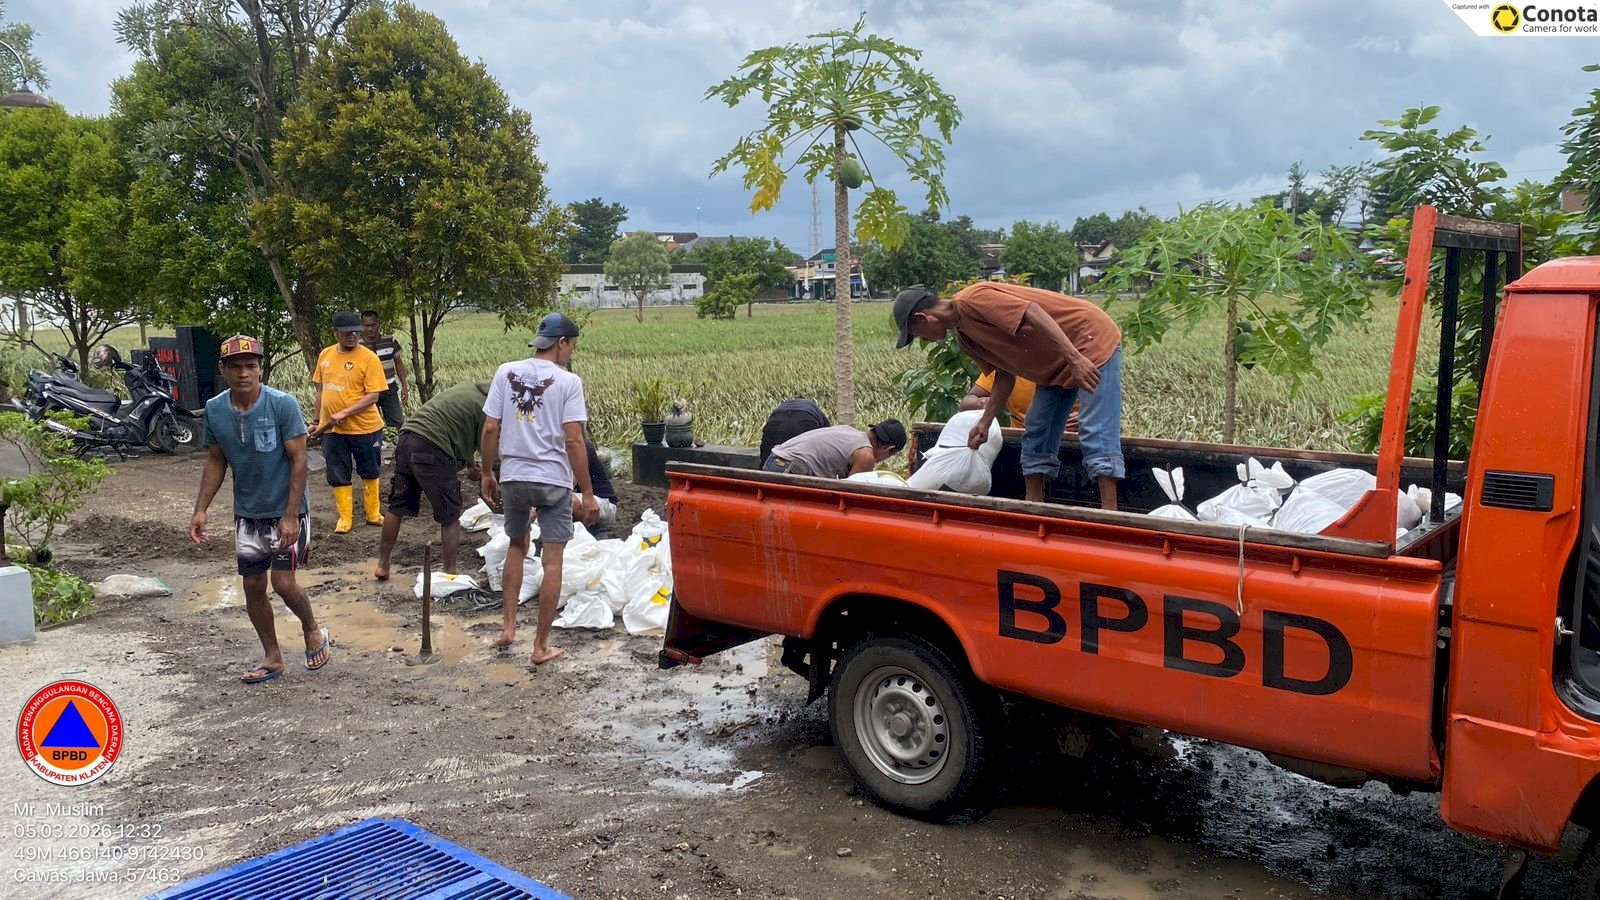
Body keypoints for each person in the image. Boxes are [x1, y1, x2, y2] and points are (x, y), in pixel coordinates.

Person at [893, 281, 1124, 509]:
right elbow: (1004, 376)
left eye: (918, 335)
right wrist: (985, 421)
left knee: (1096, 428)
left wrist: (1074, 359)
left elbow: (1033, 311)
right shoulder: (966, 339)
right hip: (1054, 365)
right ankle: (1033, 506)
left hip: (1088, 341)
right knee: (1037, 428)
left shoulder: (972, 299)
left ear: (924, 318)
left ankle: (1109, 513)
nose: (924, 340)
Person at [189, 335, 330, 683]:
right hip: (248, 514)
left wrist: (290, 515)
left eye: (250, 366)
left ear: (259, 368)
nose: (244, 373)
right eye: (235, 367)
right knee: (253, 586)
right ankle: (273, 656)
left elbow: (300, 462)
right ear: (223, 370)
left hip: (287, 511)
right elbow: (216, 460)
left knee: (283, 582)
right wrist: (201, 509)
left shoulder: (282, 405)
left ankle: (312, 629)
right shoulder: (216, 409)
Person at [481, 312, 600, 665]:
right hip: (552, 480)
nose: (571, 353)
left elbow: (490, 427)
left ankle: (507, 629)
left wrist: (488, 472)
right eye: (572, 346)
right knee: (553, 559)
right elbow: (574, 441)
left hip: (514, 476)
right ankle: (540, 647)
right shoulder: (568, 382)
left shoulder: (506, 371)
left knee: (517, 546)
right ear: (561, 343)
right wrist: (589, 493)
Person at [374, 381, 490, 581]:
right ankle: (450, 572)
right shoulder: (490, 406)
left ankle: (383, 565)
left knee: (397, 505)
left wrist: (471, 465)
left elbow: (460, 427)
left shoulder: (467, 391)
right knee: (450, 513)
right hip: (432, 446)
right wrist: (491, 473)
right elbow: (489, 443)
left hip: (407, 438)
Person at [309, 311, 388, 533]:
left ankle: (373, 513)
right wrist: (317, 421)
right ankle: (345, 518)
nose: (352, 336)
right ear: (335, 333)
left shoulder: (369, 359)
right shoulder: (325, 355)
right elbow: (321, 391)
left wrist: (345, 413)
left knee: (370, 470)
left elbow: (373, 396)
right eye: (346, 333)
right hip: (332, 430)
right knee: (338, 471)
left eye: (355, 332)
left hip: (365, 428)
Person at [763, 420, 906, 478]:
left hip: (773, 461)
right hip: (792, 469)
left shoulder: (848, 430)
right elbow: (851, 494)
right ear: (889, 449)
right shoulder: (865, 455)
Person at [361, 310, 410, 430]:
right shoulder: (358, 345)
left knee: (398, 421)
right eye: (367, 326)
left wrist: (404, 385)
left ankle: (404, 446)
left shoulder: (390, 341)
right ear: (362, 326)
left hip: (389, 388)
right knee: (371, 425)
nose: (370, 329)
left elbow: (398, 363)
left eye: (373, 325)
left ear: (378, 324)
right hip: (368, 391)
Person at [759, 398, 830, 466]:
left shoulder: (783, 405)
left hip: (777, 419)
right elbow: (825, 439)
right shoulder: (815, 409)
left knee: (768, 456)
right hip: (805, 417)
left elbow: (766, 447)